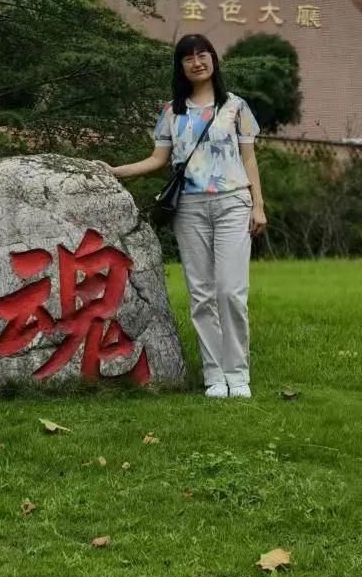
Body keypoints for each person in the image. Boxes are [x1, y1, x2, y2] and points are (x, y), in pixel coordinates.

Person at [105, 33, 267, 398]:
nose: (197, 62)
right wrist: (116, 171)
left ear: (213, 59)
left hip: (232, 203)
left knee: (230, 291)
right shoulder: (171, 111)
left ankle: (237, 373)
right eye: (188, 57)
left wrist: (258, 205)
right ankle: (214, 375)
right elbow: (157, 160)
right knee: (202, 294)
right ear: (181, 67)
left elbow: (249, 158)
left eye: (202, 54)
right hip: (189, 208)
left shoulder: (235, 106)